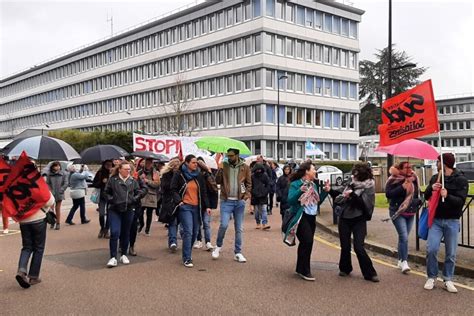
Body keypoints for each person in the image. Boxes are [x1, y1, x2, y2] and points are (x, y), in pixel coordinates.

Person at [423, 153, 468, 293]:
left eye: (438, 162)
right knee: (431, 249)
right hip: (436, 220)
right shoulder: (435, 177)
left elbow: (460, 202)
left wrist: (447, 195)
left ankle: (448, 279)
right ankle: (431, 277)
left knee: (451, 253)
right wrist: (431, 188)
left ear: (445, 164)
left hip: (452, 221)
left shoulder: (460, 180)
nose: (436, 165)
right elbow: (426, 196)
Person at [334, 163, 378, 282]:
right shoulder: (350, 183)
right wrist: (329, 190)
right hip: (344, 217)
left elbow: (365, 205)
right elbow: (339, 194)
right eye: (354, 173)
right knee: (345, 246)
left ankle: (370, 273)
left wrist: (352, 195)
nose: (354, 175)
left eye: (356, 173)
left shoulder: (369, 185)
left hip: (359, 218)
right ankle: (345, 268)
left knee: (359, 247)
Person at [287, 162, 328, 281]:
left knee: (306, 243)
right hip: (301, 216)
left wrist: (325, 191)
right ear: (307, 171)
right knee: (307, 241)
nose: (315, 171)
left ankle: (300, 268)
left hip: (311, 217)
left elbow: (316, 202)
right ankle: (305, 270)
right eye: (313, 169)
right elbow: (290, 200)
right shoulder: (296, 184)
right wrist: (300, 190)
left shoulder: (313, 185)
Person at [104, 161, 147, 268]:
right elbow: (106, 192)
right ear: (120, 169)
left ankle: (124, 254)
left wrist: (135, 199)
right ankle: (113, 257)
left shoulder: (133, 180)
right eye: (126, 169)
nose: (128, 171)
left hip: (128, 209)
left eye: (129, 169)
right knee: (115, 232)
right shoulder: (112, 180)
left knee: (126, 232)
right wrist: (112, 200)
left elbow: (139, 191)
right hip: (115, 209)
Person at [212, 148, 252, 263]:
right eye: (228, 155)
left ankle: (238, 252)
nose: (229, 157)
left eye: (231, 155)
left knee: (239, 228)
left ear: (237, 155)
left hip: (239, 201)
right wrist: (219, 170)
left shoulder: (245, 167)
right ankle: (218, 247)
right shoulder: (224, 166)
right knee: (224, 225)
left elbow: (247, 183)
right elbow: (217, 181)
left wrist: (245, 196)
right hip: (226, 200)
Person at [171, 155, 210, 268]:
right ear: (187, 163)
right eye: (193, 162)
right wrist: (179, 201)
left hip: (197, 207)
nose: (195, 164)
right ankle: (187, 258)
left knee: (195, 231)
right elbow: (173, 189)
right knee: (188, 231)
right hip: (185, 207)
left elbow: (203, 192)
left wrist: (207, 206)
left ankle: (187, 252)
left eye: (196, 163)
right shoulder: (179, 174)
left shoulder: (198, 175)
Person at [385, 161, 420, 274]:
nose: (409, 169)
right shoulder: (393, 179)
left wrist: (418, 202)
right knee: (404, 237)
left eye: (410, 167)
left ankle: (400, 260)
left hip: (410, 212)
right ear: (400, 169)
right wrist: (402, 187)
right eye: (406, 167)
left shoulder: (414, 179)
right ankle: (404, 262)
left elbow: (416, 195)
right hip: (397, 212)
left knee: (403, 237)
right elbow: (389, 194)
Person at [16, 192, 55, 288]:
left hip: (23, 220)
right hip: (38, 218)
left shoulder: (16, 186)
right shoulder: (36, 184)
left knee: (26, 247)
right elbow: (50, 201)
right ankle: (33, 276)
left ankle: (21, 270)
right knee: (39, 248)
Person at [158, 158, 182, 252]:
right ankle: (173, 242)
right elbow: (165, 187)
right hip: (169, 202)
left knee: (178, 221)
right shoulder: (166, 175)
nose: (177, 169)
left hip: (179, 201)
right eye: (175, 167)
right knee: (173, 222)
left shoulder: (181, 175)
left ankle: (172, 240)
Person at [194, 158, 218, 251]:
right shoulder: (196, 175)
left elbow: (213, 188)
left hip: (205, 202)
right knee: (202, 223)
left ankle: (206, 241)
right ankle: (202, 241)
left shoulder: (207, 175)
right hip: (200, 202)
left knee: (204, 223)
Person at [138, 158, 160, 235]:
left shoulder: (155, 173)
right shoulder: (140, 172)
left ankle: (147, 229)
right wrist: (141, 178)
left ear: (152, 164)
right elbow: (136, 182)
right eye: (146, 163)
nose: (148, 165)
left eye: (149, 163)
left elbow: (157, 184)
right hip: (142, 195)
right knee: (139, 212)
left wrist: (148, 181)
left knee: (149, 213)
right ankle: (141, 224)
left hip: (151, 195)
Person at [92, 160, 113, 238]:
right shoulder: (100, 172)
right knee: (101, 214)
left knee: (109, 213)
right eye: (107, 165)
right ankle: (102, 228)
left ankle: (107, 230)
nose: (109, 166)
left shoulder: (114, 173)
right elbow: (94, 183)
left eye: (110, 165)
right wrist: (101, 182)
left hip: (111, 196)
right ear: (104, 165)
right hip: (102, 196)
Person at [44, 161, 68, 230]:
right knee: (51, 209)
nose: (57, 167)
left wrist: (62, 190)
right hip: (51, 194)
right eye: (56, 166)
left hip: (60, 193)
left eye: (58, 166)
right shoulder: (49, 174)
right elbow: (47, 183)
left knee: (58, 209)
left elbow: (66, 183)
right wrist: (50, 190)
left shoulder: (64, 174)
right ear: (53, 167)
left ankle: (58, 223)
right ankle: (52, 222)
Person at [251, 163, 271, 230]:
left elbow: (268, 184)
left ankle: (264, 223)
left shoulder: (265, 176)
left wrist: (266, 191)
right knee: (256, 211)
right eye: (257, 169)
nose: (259, 171)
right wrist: (253, 192)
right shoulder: (252, 176)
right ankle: (258, 223)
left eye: (260, 169)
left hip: (263, 195)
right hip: (255, 196)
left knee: (264, 210)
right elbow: (250, 186)